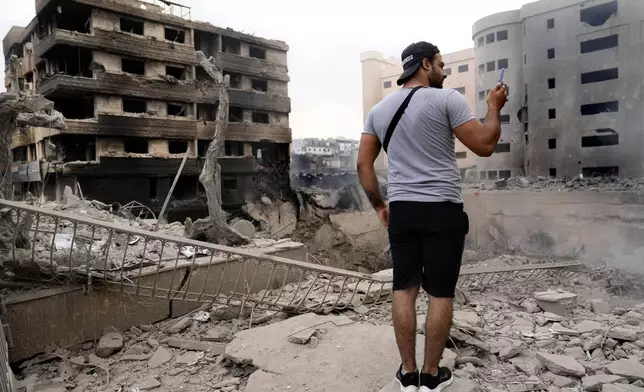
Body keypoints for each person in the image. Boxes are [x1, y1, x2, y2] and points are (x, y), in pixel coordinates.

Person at [357, 41, 508, 392]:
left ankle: (407, 376)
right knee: (440, 293)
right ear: (425, 64)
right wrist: (494, 107)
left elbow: (364, 164)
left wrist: (380, 205)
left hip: (404, 210)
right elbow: (484, 145)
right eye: (441, 64)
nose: (445, 70)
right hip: (442, 209)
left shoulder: (378, 111)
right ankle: (430, 376)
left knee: (404, 290)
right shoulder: (447, 99)